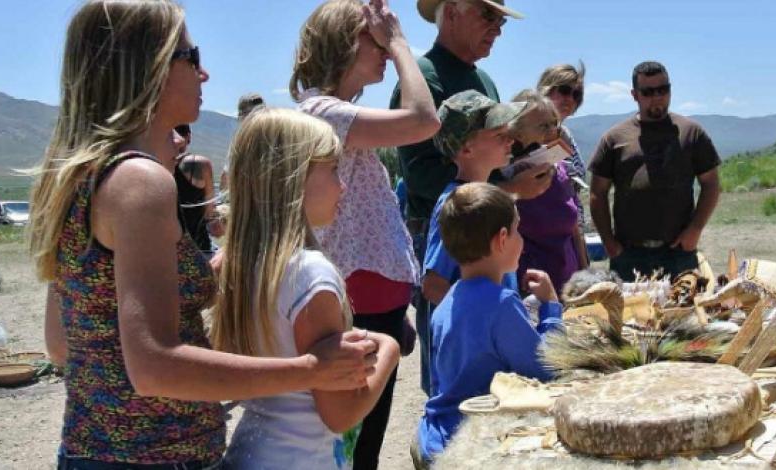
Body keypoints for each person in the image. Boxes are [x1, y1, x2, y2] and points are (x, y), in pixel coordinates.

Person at [29, 1, 380, 467]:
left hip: (92, 452)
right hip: (156, 459)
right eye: (191, 57)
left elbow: (61, 341)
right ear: (147, 65)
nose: (205, 74)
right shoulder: (140, 182)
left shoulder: (79, 177)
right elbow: (155, 366)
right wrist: (308, 369)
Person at [288, 1, 441, 468]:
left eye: (383, 41)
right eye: (371, 40)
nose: (382, 50)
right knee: (355, 448)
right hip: (361, 302)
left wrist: (398, 313)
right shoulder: (322, 112)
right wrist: (400, 45)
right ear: (342, 43)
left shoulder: (337, 113)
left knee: (363, 446)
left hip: (375, 303)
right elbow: (424, 120)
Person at [217, 108, 401, 470]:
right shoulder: (311, 274)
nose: (342, 185)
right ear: (293, 178)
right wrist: (389, 351)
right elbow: (340, 414)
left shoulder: (246, 266)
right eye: (333, 169)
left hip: (250, 455)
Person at [393, 0, 550, 394]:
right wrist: (511, 189)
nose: (498, 27)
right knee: (459, 378)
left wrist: (530, 161)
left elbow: (490, 166)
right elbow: (424, 173)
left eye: (501, 19)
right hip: (452, 244)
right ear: (451, 11)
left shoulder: (485, 81)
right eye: (488, 15)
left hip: (488, 244)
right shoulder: (424, 78)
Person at [412, 182, 562, 468]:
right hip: (472, 442)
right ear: (502, 239)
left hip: (437, 434)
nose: (521, 238)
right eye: (517, 230)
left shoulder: (447, 302)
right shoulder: (501, 303)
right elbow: (547, 368)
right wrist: (551, 308)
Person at [588, 61, 722, 282]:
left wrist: (695, 229)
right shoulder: (614, 138)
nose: (657, 96)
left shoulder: (691, 133)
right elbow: (597, 193)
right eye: (648, 92)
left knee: (682, 314)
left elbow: (711, 184)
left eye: (663, 89)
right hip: (628, 255)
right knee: (629, 316)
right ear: (634, 95)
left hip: (679, 252)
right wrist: (609, 242)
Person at [420, 90, 526, 307]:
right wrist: (482, 318)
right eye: (499, 135)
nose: (511, 140)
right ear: (467, 148)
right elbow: (433, 285)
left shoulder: (484, 198)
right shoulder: (459, 204)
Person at [508, 90, 585, 291]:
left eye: (554, 123)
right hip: (530, 289)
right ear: (517, 131)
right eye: (544, 126)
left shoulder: (560, 167)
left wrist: (585, 276)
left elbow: (575, 228)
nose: (553, 131)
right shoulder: (508, 176)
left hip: (569, 283)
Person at [534, 62, 591, 267]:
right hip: (537, 246)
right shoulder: (523, 135)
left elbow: (571, 194)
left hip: (569, 241)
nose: (570, 99)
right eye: (565, 90)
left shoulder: (566, 135)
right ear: (546, 89)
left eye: (576, 94)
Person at [171, 124, 222, 254]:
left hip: (168, 249)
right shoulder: (199, 164)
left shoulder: (152, 165)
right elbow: (209, 211)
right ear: (188, 137)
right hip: (198, 245)